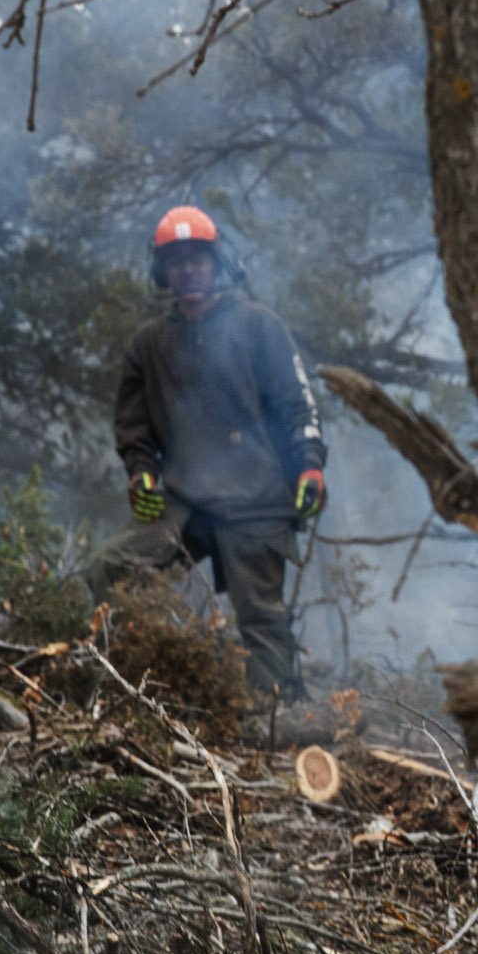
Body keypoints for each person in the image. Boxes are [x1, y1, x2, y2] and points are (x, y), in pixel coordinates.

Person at [86, 205, 326, 702]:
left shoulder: (260, 327)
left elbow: (296, 403)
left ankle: (281, 719)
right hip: (185, 498)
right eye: (177, 261)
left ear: (218, 264)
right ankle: (148, 686)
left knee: (261, 616)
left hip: (256, 498)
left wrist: (310, 466)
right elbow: (132, 426)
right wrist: (140, 475)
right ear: (162, 271)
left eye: (198, 259)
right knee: (111, 568)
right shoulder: (148, 344)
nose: (188, 269)